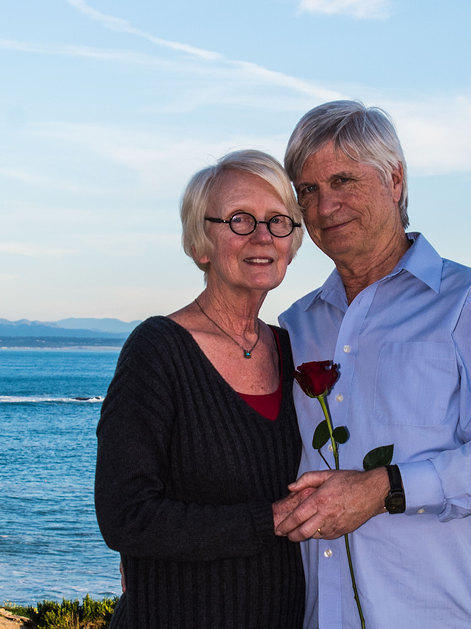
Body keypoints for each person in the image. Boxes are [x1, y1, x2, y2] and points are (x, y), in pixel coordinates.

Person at [275, 101, 471, 628]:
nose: (324, 205)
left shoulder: (469, 301)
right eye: (307, 191)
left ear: (395, 179)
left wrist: (384, 489)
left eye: (342, 180)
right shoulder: (297, 324)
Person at [95, 150, 310, 628]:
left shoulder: (294, 351)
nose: (262, 236)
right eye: (239, 220)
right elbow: (125, 515)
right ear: (200, 243)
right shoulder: (157, 350)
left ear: (293, 243)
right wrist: (269, 520)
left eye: (279, 221)